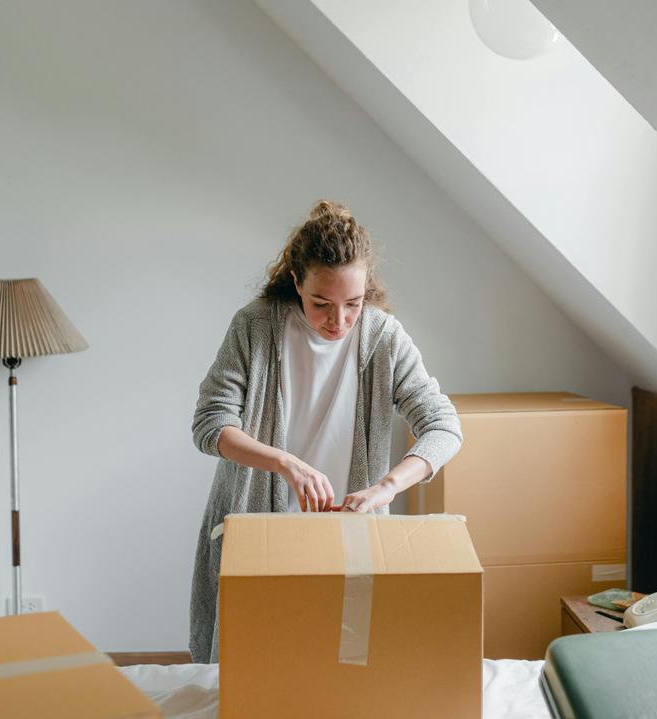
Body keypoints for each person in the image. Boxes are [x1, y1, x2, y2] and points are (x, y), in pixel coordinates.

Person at [188, 200, 462, 662]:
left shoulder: (383, 337)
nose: (339, 321)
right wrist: (286, 463)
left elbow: (444, 426)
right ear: (297, 282)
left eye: (353, 304)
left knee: (344, 663)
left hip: (347, 533)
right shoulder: (255, 328)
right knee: (254, 662)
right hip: (261, 531)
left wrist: (386, 489)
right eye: (321, 303)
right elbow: (210, 425)